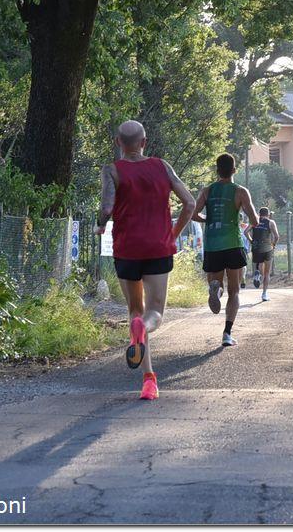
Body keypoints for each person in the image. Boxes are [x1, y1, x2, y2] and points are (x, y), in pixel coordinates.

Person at [97, 120, 196, 400]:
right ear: (144, 142)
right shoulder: (162, 167)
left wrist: (100, 224)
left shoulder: (112, 170)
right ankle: (146, 344)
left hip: (127, 249)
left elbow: (106, 207)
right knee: (155, 313)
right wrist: (173, 234)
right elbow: (189, 203)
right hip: (158, 249)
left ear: (118, 142)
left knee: (134, 310)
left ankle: (148, 376)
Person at [193, 153, 259, 347]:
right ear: (234, 170)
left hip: (212, 245)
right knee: (235, 291)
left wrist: (208, 219)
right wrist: (245, 221)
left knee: (217, 282)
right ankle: (227, 334)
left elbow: (193, 214)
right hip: (233, 244)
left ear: (217, 170)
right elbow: (254, 220)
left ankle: (216, 289)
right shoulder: (240, 191)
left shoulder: (207, 191)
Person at [245, 207, 280, 302]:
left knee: (260, 263)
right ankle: (264, 294)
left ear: (259, 214)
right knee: (267, 272)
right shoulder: (271, 222)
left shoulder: (254, 221)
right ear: (268, 214)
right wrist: (273, 244)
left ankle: (258, 273)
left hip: (256, 247)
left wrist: (251, 241)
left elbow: (245, 232)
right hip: (267, 247)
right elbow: (277, 236)